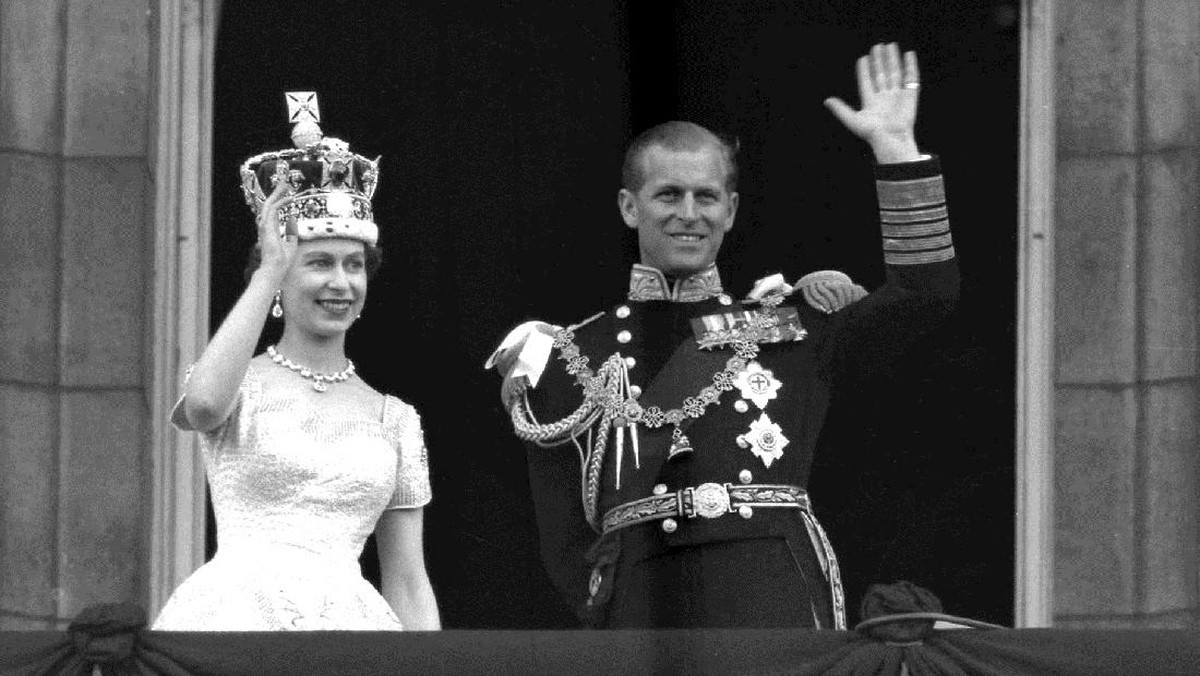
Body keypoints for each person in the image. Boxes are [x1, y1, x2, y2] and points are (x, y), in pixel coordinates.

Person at [488, 44, 958, 629]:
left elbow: (926, 296)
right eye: (668, 195)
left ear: (731, 210)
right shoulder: (567, 354)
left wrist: (896, 149)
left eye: (706, 196)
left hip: (769, 596)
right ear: (629, 207)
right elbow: (561, 540)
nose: (690, 212)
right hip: (640, 608)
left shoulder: (791, 326)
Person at [153, 93, 440, 631]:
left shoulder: (394, 419)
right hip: (234, 622)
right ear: (281, 276)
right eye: (318, 263)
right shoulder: (238, 382)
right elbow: (204, 405)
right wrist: (268, 271)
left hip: (350, 631)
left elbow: (407, 578)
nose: (340, 282)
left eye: (354, 265)